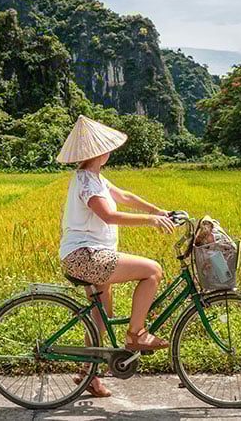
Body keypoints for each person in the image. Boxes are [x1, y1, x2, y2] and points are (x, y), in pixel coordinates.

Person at [56, 115, 176, 397]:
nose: (110, 151)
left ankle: (89, 376)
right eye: (107, 147)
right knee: (152, 271)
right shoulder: (87, 182)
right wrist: (150, 222)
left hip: (90, 255)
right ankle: (136, 334)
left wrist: (156, 210)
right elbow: (108, 215)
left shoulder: (94, 177)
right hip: (86, 257)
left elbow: (125, 195)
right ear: (100, 152)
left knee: (100, 317)